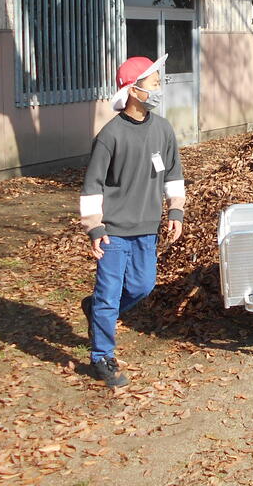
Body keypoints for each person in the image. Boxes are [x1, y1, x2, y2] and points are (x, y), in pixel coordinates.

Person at [79, 54, 185, 387]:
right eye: (154, 83)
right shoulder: (110, 136)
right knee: (109, 295)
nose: (159, 88)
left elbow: (173, 174)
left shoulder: (163, 129)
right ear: (133, 90)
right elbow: (92, 185)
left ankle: (97, 312)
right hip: (113, 232)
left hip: (147, 230)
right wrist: (94, 227)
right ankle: (101, 356)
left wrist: (176, 210)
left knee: (142, 286)